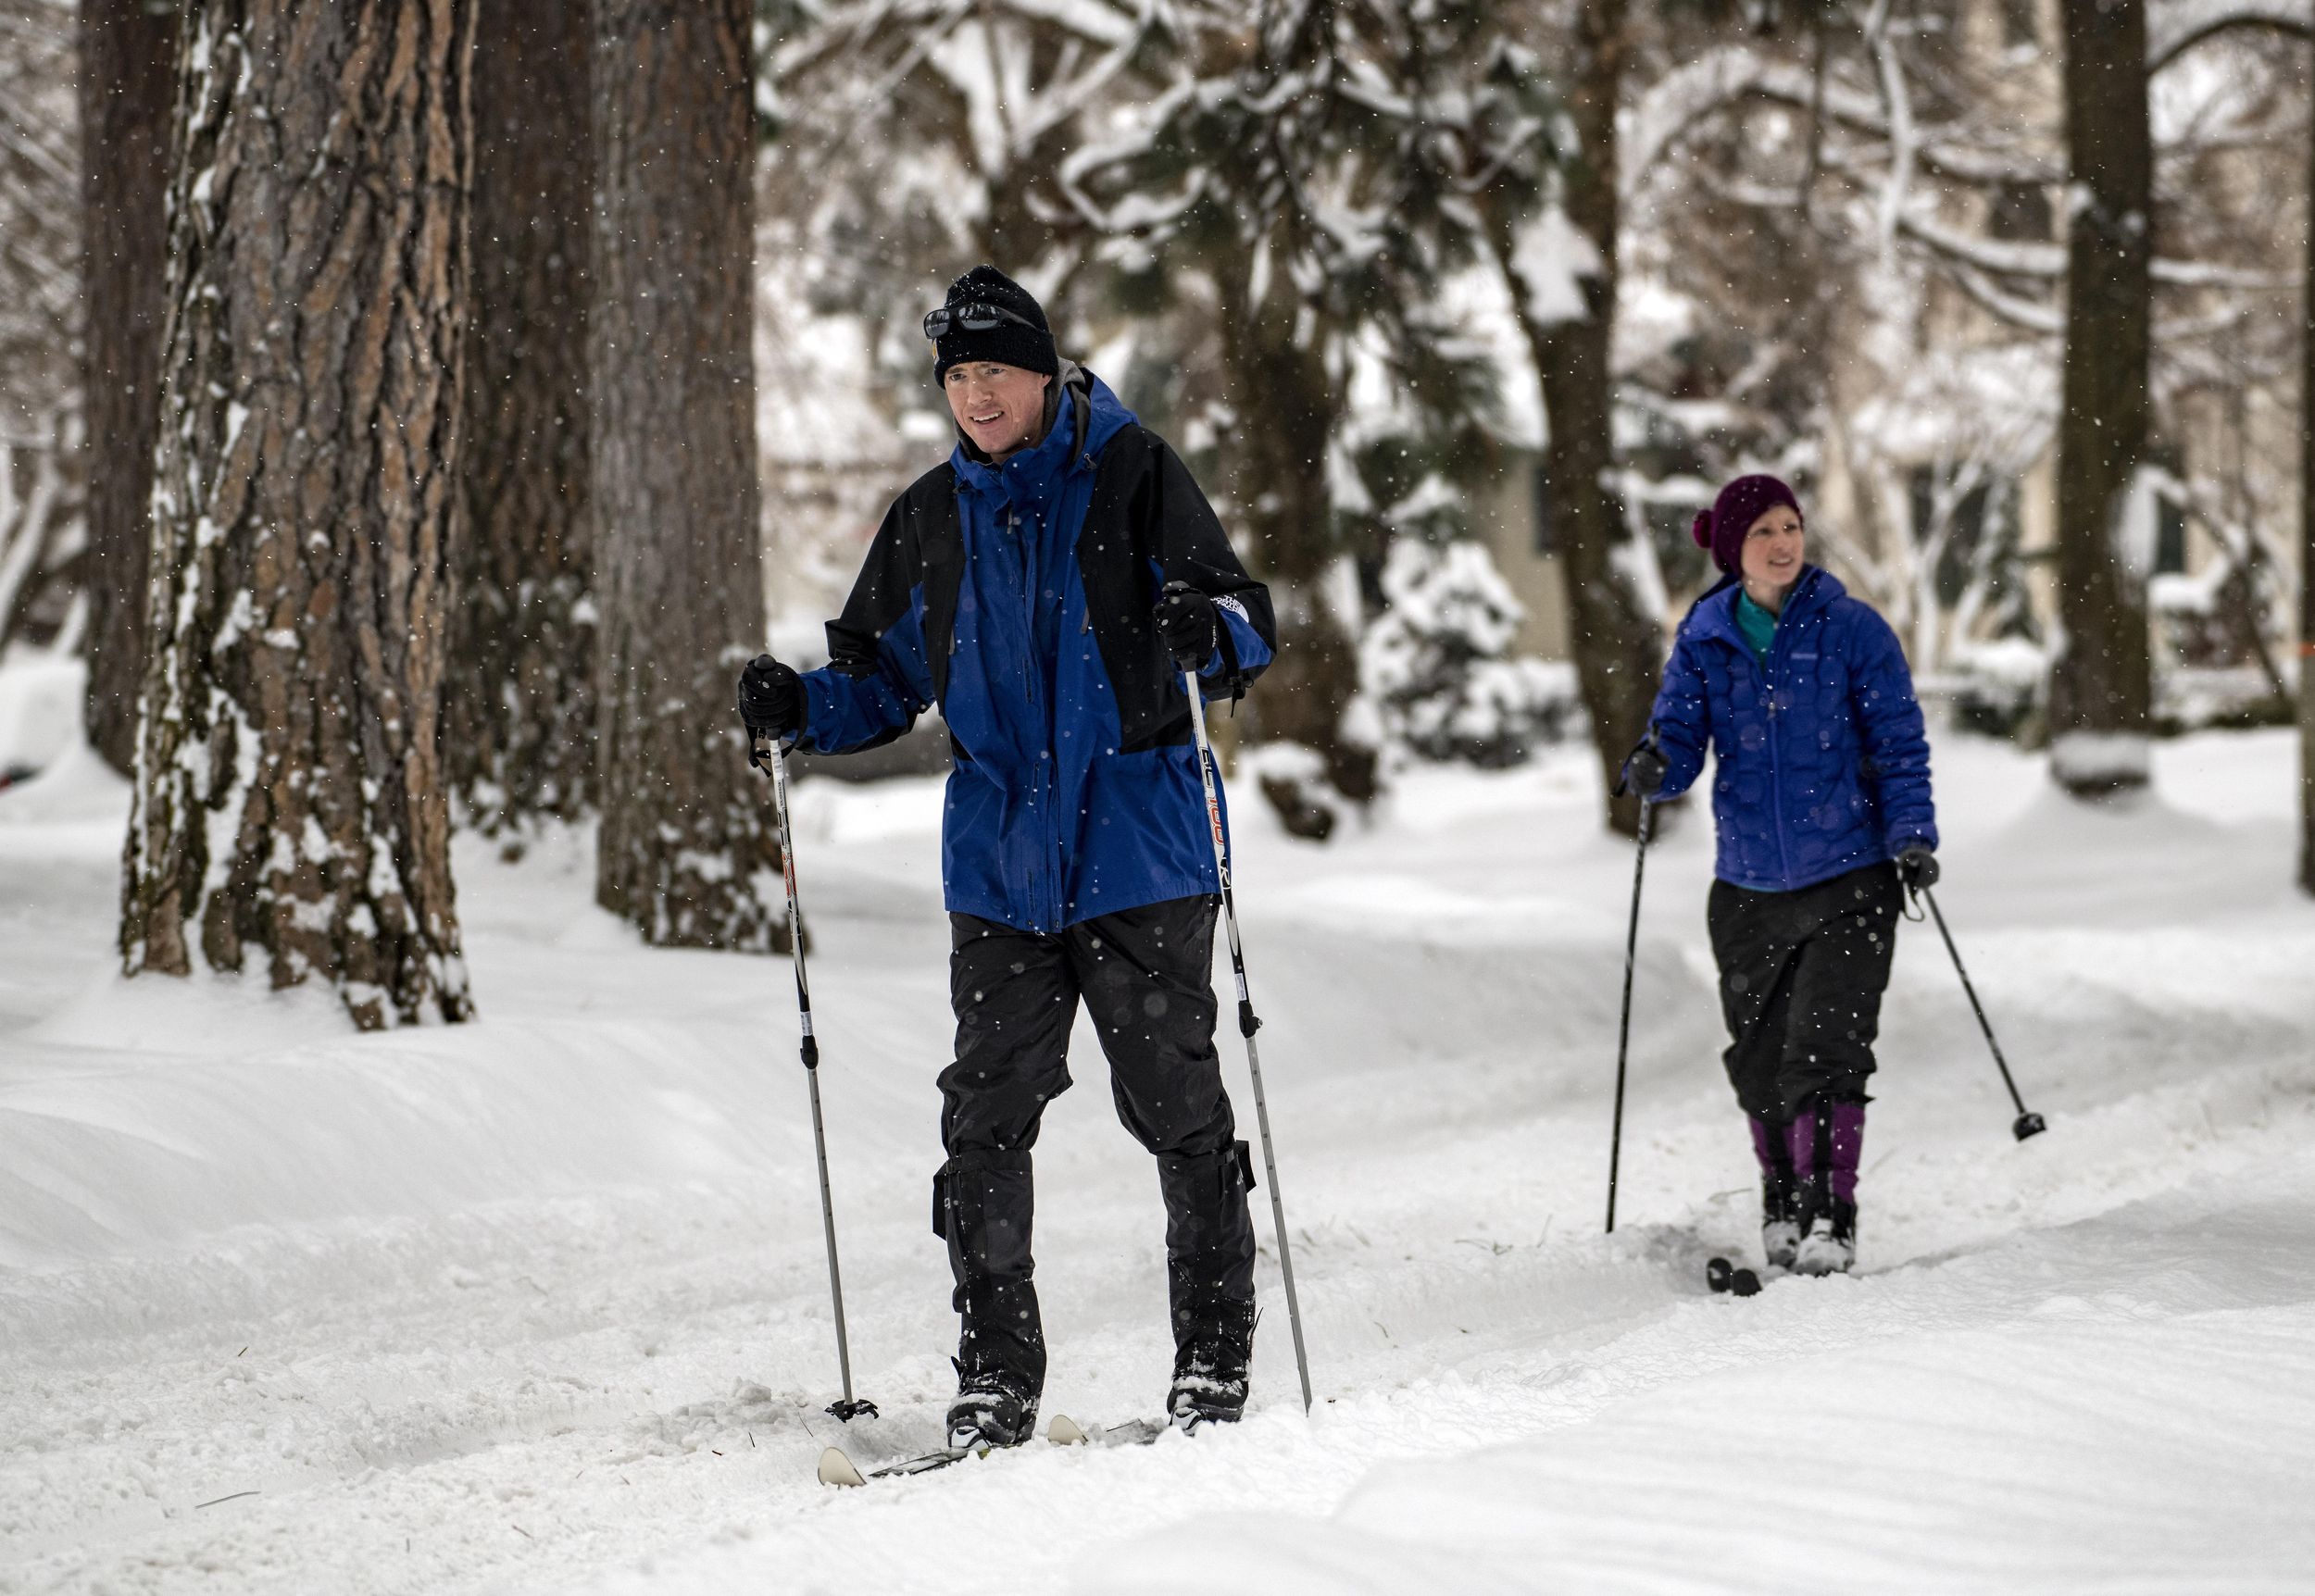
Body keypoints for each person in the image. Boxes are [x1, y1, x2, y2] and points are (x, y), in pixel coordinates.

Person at [732, 266, 1277, 1446]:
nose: (976, 394)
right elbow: (879, 679)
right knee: (984, 1121)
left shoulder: (1134, 477)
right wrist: (799, 706)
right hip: (1000, 871)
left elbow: (1246, 624)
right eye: (958, 375)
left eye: (996, 370)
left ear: (1044, 373)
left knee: (1177, 1108)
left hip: (1140, 852)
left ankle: (1214, 1356)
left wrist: (1206, 628)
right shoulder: (932, 516)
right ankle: (994, 1371)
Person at [1623, 474, 1937, 1277]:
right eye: (1764, 530)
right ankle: (1784, 1199)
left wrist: (1910, 836)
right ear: (1735, 550)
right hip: (1748, 889)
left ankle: (1834, 1212)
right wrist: (1656, 764)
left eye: (1791, 525)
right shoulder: (1705, 636)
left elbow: (1899, 744)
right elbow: (1681, 740)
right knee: (1761, 1061)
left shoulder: (1853, 630)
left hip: (1850, 878)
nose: (1783, 542)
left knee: (1826, 1051)